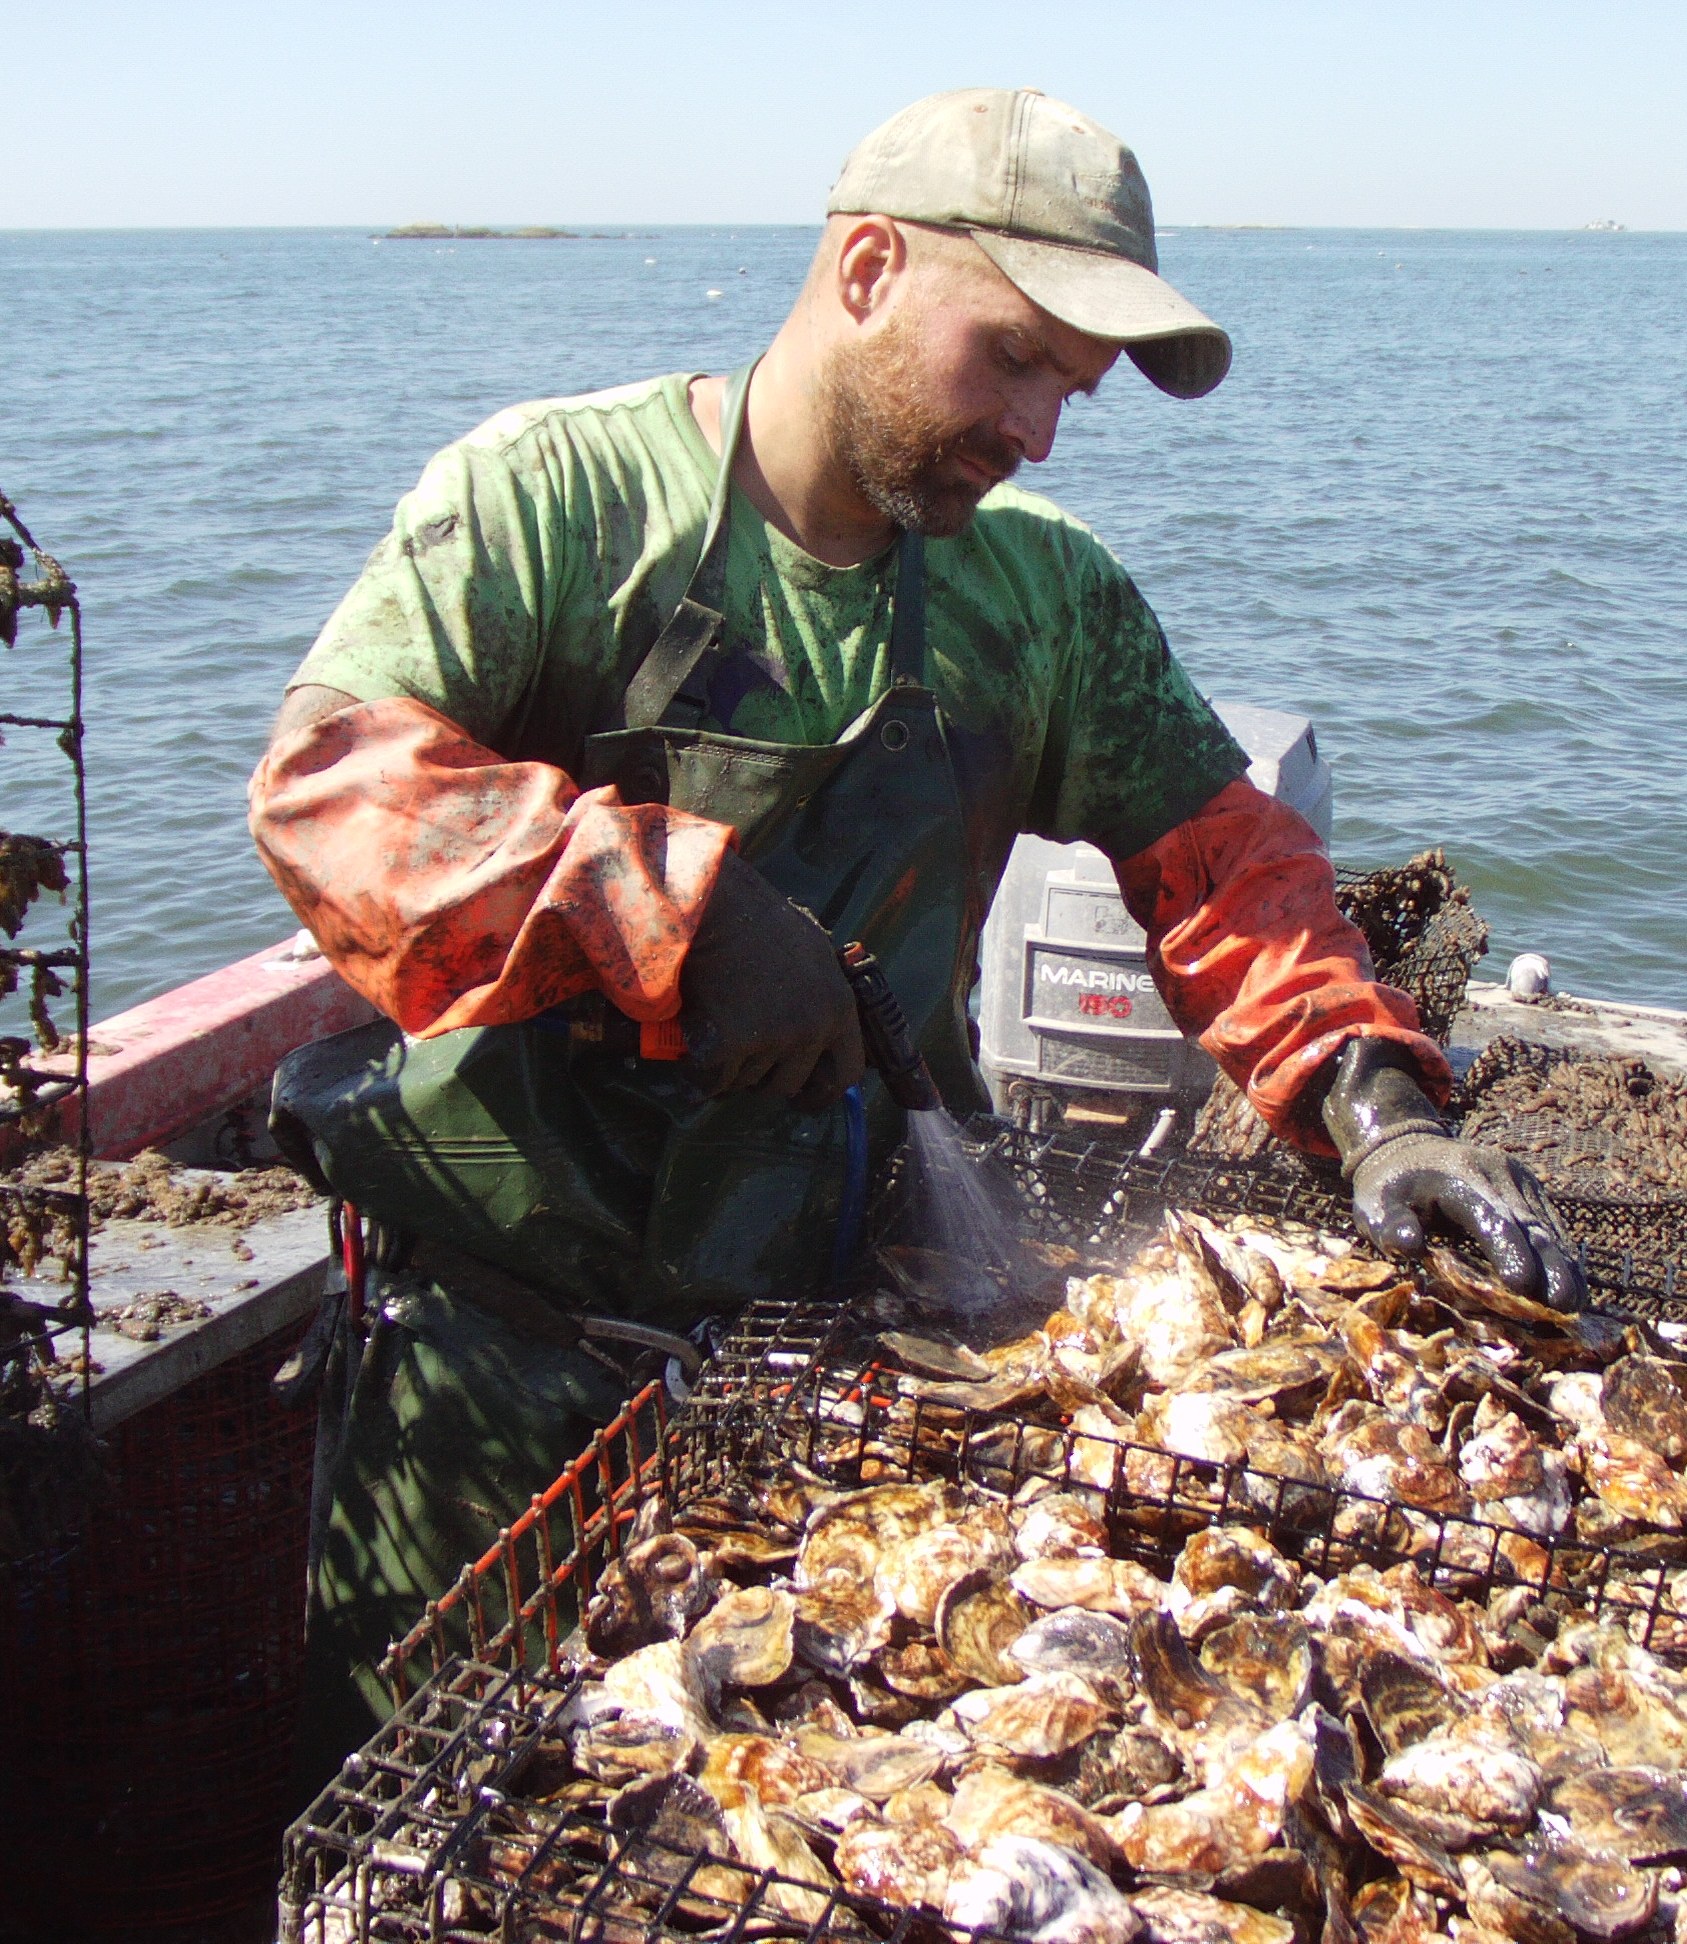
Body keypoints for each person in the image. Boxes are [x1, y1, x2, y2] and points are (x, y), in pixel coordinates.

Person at [249, 86, 1580, 1772]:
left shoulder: (1043, 592)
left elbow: (1224, 868)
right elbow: (329, 794)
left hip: (839, 1366)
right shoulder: (556, 503)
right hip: (502, 1368)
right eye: (1014, 358)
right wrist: (672, 909)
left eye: (1071, 394)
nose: (1037, 432)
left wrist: (1373, 1105)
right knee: (444, 1823)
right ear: (868, 264)